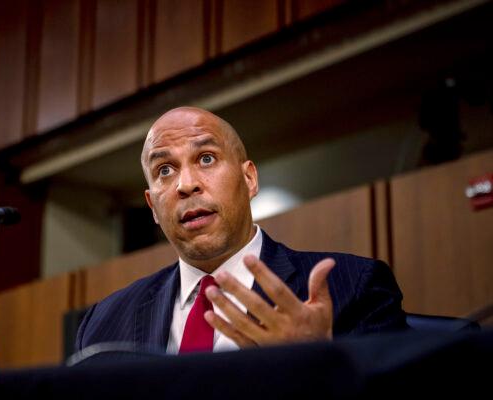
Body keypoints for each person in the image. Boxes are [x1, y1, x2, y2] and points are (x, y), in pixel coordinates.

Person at [75, 106, 407, 355]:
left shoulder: (354, 288)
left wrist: (315, 365)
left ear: (249, 179)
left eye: (206, 159)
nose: (186, 185)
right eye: (165, 169)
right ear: (152, 207)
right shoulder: (103, 324)